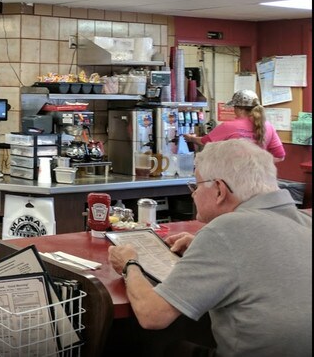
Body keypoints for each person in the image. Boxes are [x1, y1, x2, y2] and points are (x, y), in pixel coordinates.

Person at [108, 139, 312, 357]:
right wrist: (204, 248)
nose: (193, 194)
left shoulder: (226, 230)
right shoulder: (305, 222)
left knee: (154, 347)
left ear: (219, 190)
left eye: (196, 186)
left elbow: (152, 315)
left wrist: (130, 264)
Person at [184, 89, 285, 161]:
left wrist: (191, 138)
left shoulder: (228, 126)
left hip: (234, 179)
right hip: (261, 179)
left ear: (239, 109)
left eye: (234, 108)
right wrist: (259, 163)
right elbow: (280, 156)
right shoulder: (268, 126)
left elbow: (204, 141)